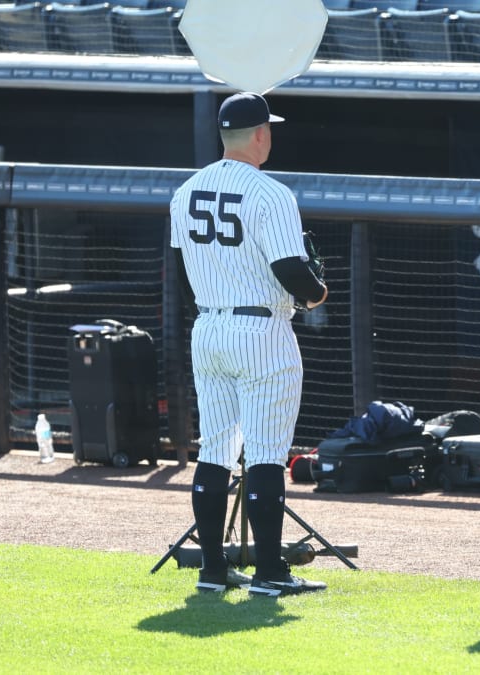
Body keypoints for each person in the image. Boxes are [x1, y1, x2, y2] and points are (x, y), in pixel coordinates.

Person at [169, 92, 328, 597]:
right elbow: (290, 270)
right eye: (270, 129)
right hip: (260, 331)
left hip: (209, 326)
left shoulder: (186, 190)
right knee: (265, 453)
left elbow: (182, 268)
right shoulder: (271, 193)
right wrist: (317, 292)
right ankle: (270, 572)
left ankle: (213, 569)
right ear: (260, 135)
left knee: (215, 449)